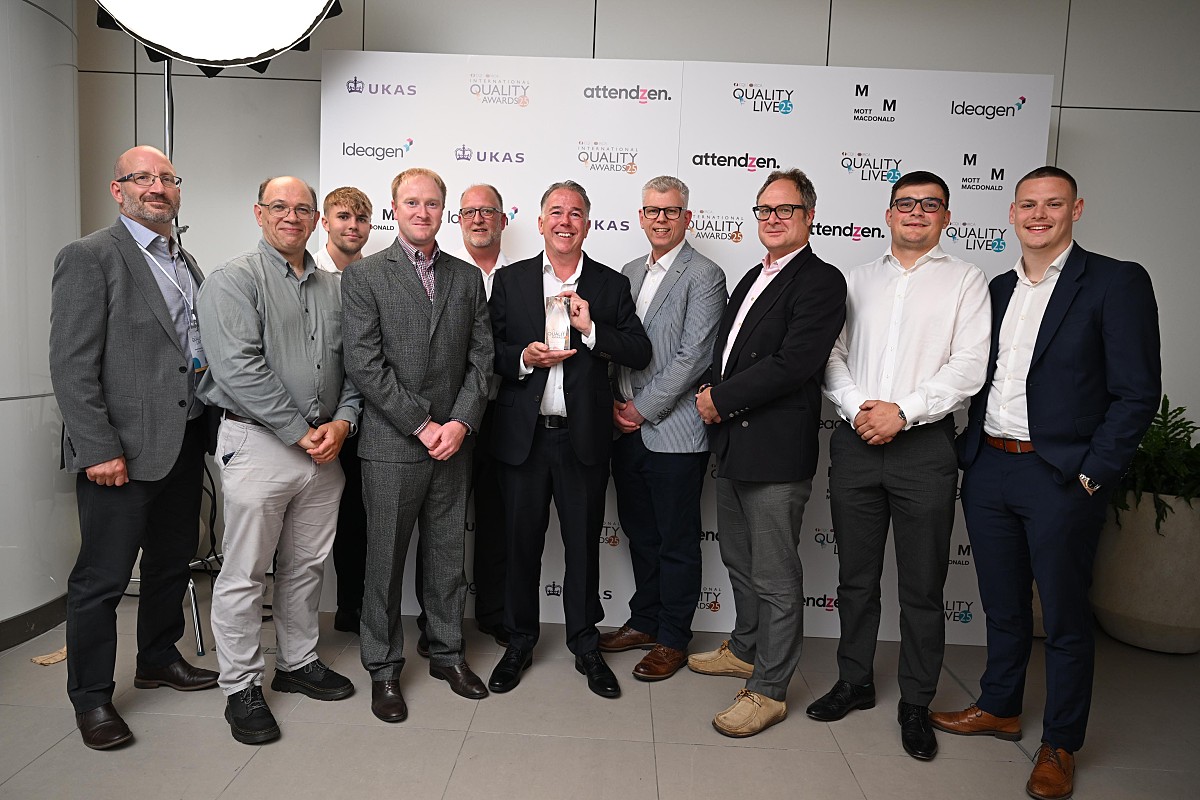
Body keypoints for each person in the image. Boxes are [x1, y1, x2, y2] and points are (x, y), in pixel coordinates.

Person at [929, 166, 1160, 799]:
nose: (1039, 215)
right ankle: (1000, 706)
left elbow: (1137, 393)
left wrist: (1091, 475)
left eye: (1053, 204)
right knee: (1003, 606)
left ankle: (1060, 742)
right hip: (990, 466)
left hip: (1059, 474)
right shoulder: (996, 288)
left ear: (1076, 210)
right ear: (1011, 213)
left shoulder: (1115, 281)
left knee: (1063, 618)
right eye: (1028, 204)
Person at [809, 170, 990, 760]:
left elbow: (969, 367)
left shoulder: (966, 280)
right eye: (905, 203)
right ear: (888, 213)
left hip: (925, 448)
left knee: (923, 585)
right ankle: (855, 680)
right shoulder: (856, 279)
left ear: (946, 217)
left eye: (929, 204)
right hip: (856, 440)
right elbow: (831, 356)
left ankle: (916, 700)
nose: (916, 212)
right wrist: (861, 409)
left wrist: (902, 413)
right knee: (856, 579)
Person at [50, 145, 218, 750]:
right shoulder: (90, 256)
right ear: (117, 189)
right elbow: (71, 364)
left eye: (167, 178)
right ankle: (92, 698)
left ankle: (157, 658)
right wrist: (98, 447)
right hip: (119, 451)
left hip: (184, 439)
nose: (157, 187)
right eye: (141, 177)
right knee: (102, 578)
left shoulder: (184, 258)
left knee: (172, 561)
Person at [197, 176, 362, 745]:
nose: (291, 216)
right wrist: (299, 431)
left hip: (324, 449)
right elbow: (238, 369)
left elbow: (357, 364)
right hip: (259, 444)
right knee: (245, 573)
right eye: (279, 207)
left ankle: (297, 663)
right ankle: (241, 685)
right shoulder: (232, 280)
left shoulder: (336, 288)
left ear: (316, 219)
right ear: (258, 213)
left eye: (302, 209)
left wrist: (343, 422)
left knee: (306, 566)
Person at [692, 168, 846, 737]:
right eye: (764, 210)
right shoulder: (752, 276)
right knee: (739, 559)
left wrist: (720, 400)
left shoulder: (821, 280)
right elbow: (727, 352)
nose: (773, 219)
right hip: (734, 444)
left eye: (785, 209)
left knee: (776, 577)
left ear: (810, 216)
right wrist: (712, 391)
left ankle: (770, 689)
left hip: (775, 452)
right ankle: (745, 648)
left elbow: (794, 364)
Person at [486, 180, 652, 699]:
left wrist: (593, 328)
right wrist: (522, 357)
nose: (565, 221)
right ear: (540, 222)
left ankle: (585, 644)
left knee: (582, 547)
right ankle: (519, 641)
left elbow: (639, 350)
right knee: (520, 546)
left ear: (587, 224)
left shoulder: (609, 284)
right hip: (524, 439)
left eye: (575, 213)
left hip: (582, 440)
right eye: (556, 212)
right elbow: (486, 349)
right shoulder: (510, 280)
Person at [341, 168, 494, 723]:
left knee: (448, 557)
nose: (422, 212)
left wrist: (461, 423)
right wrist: (422, 424)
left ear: (443, 211)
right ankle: (383, 667)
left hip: (453, 444)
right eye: (412, 202)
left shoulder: (466, 277)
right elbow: (364, 363)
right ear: (394, 208)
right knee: (383, 562)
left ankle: (447, 654)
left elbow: (482, 358)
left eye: (431, 204)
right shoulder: (365, 276)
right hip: (392, 445)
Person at [600, 175, 727, 681]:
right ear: (641, 216)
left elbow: (694, 356)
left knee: (676, 541)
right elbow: (617, 345)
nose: (661, 219)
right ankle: (645, 621)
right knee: (640, 534)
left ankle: (673, 637)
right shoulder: (628, 271)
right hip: (624, 429)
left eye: (671, 211)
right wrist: (616, 405)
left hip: (673, 432)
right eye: (652, 210)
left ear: (687, 217)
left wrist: (640, 409)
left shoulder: (706, 274)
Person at [313, 186, 373, 634]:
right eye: (343, 217)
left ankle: (353, 607)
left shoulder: (376, 275)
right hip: (315, 421)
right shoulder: (307, 272)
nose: (352, 226)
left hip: (369, 417)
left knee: (358, 516)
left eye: (361, 218)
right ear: (325, 222)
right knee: (306, 524)